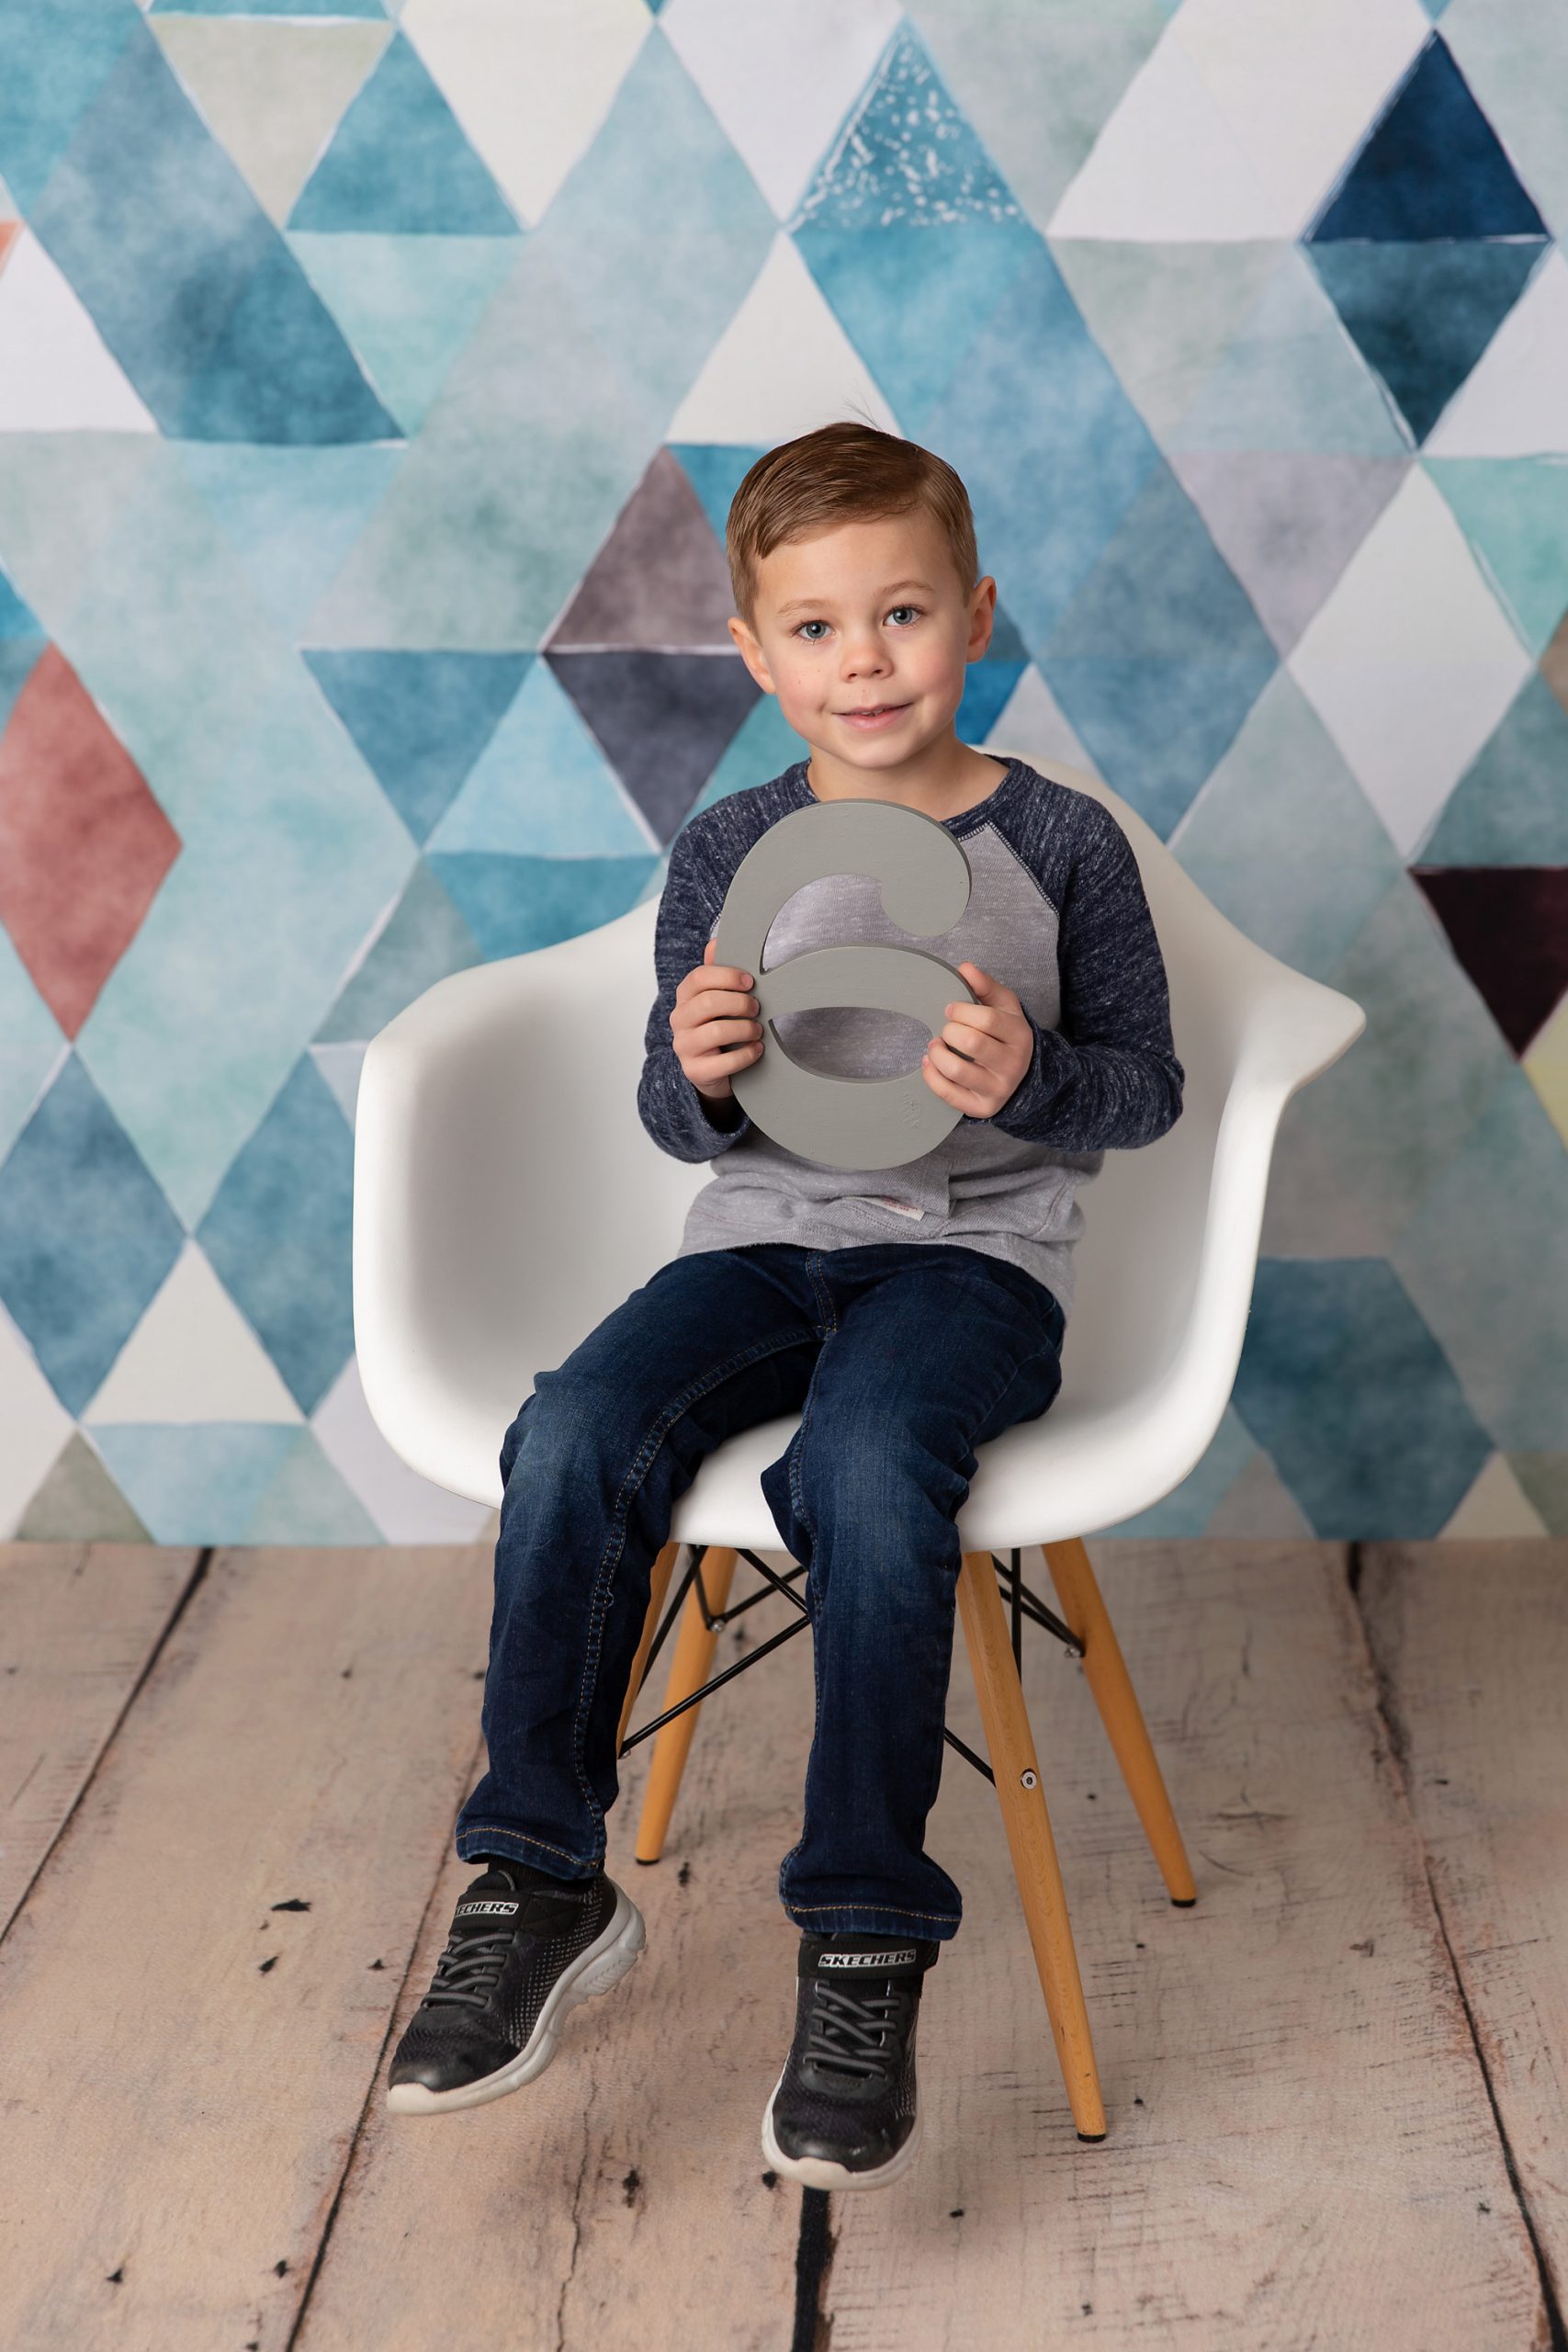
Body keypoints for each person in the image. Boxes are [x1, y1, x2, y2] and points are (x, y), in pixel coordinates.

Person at [386, 420, 1185, 2191]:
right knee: (578, 1426)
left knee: (873, 1457)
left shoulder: (1064, 838)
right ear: (756, 655)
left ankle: (862, 1934)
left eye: (902, 614)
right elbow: (681, 1116)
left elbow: (1147, 1092)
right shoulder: (737, 842)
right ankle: (537, 1877)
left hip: (977, 1266)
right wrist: (699, 1070)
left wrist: (1037, 1075)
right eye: (816, 630)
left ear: (977, 615)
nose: (865, 661)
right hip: (759, 1238)